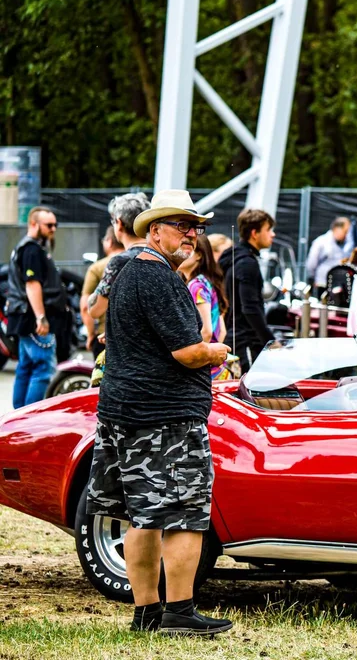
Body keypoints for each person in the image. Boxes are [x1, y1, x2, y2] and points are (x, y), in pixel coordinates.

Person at [85, 189, 231, 635]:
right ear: (154, 229)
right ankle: (179, 611)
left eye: (197, 227)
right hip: (165, 417)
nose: (193, 234)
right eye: (183, 225)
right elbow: (186, 352)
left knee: (138, 515)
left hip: (122, 411)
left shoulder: (126, 269)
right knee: (184, 513)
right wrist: (216, 351)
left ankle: (146, 612)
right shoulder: (160, 279)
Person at [6, 207, 64, 409]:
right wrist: (41, 317)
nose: (53, 229)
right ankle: (29, 418)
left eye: (56, 224)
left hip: (22, 316)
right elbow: (32, 284)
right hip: (32, 319)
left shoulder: (25, 247)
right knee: (42, 368)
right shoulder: (31, 250)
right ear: (33, 224)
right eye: (49, 225)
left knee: (26, 367)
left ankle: (18, 419)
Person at [220, 208, 277, 373]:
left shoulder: (234, 257)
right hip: (246, 343)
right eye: (268, 230)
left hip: (235, 337)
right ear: (254, 233)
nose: (272, 235)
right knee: (248, 393)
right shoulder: (246, 263)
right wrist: (270, 341)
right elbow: (250, 308)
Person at [87, 192, 152, 323]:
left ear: (119, 223)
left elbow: (95, 310)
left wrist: (91, 299)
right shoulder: (161, 256)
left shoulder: (120, 262)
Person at [179, 234, 230, 380]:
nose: (179, 254)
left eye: (186, 249)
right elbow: (222, 332)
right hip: (218, 369)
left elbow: (206, 331)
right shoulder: (205, 282)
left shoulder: (196, 285)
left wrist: (193, 356)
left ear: (199, 255)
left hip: (206, 370)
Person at [80, 227, 122, 356]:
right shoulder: (139, 261)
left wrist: (91, 334)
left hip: (104, 336)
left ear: (109, 241)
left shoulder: (97, 268)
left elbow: (85, 306)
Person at [305, 217, 354, 295]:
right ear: (337, 229)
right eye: (345, 232)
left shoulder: (346, 244)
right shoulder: (321, 242)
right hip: (322, 285)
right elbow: (311, 264)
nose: (346, 235)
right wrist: (312, 279)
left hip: (339, 287)